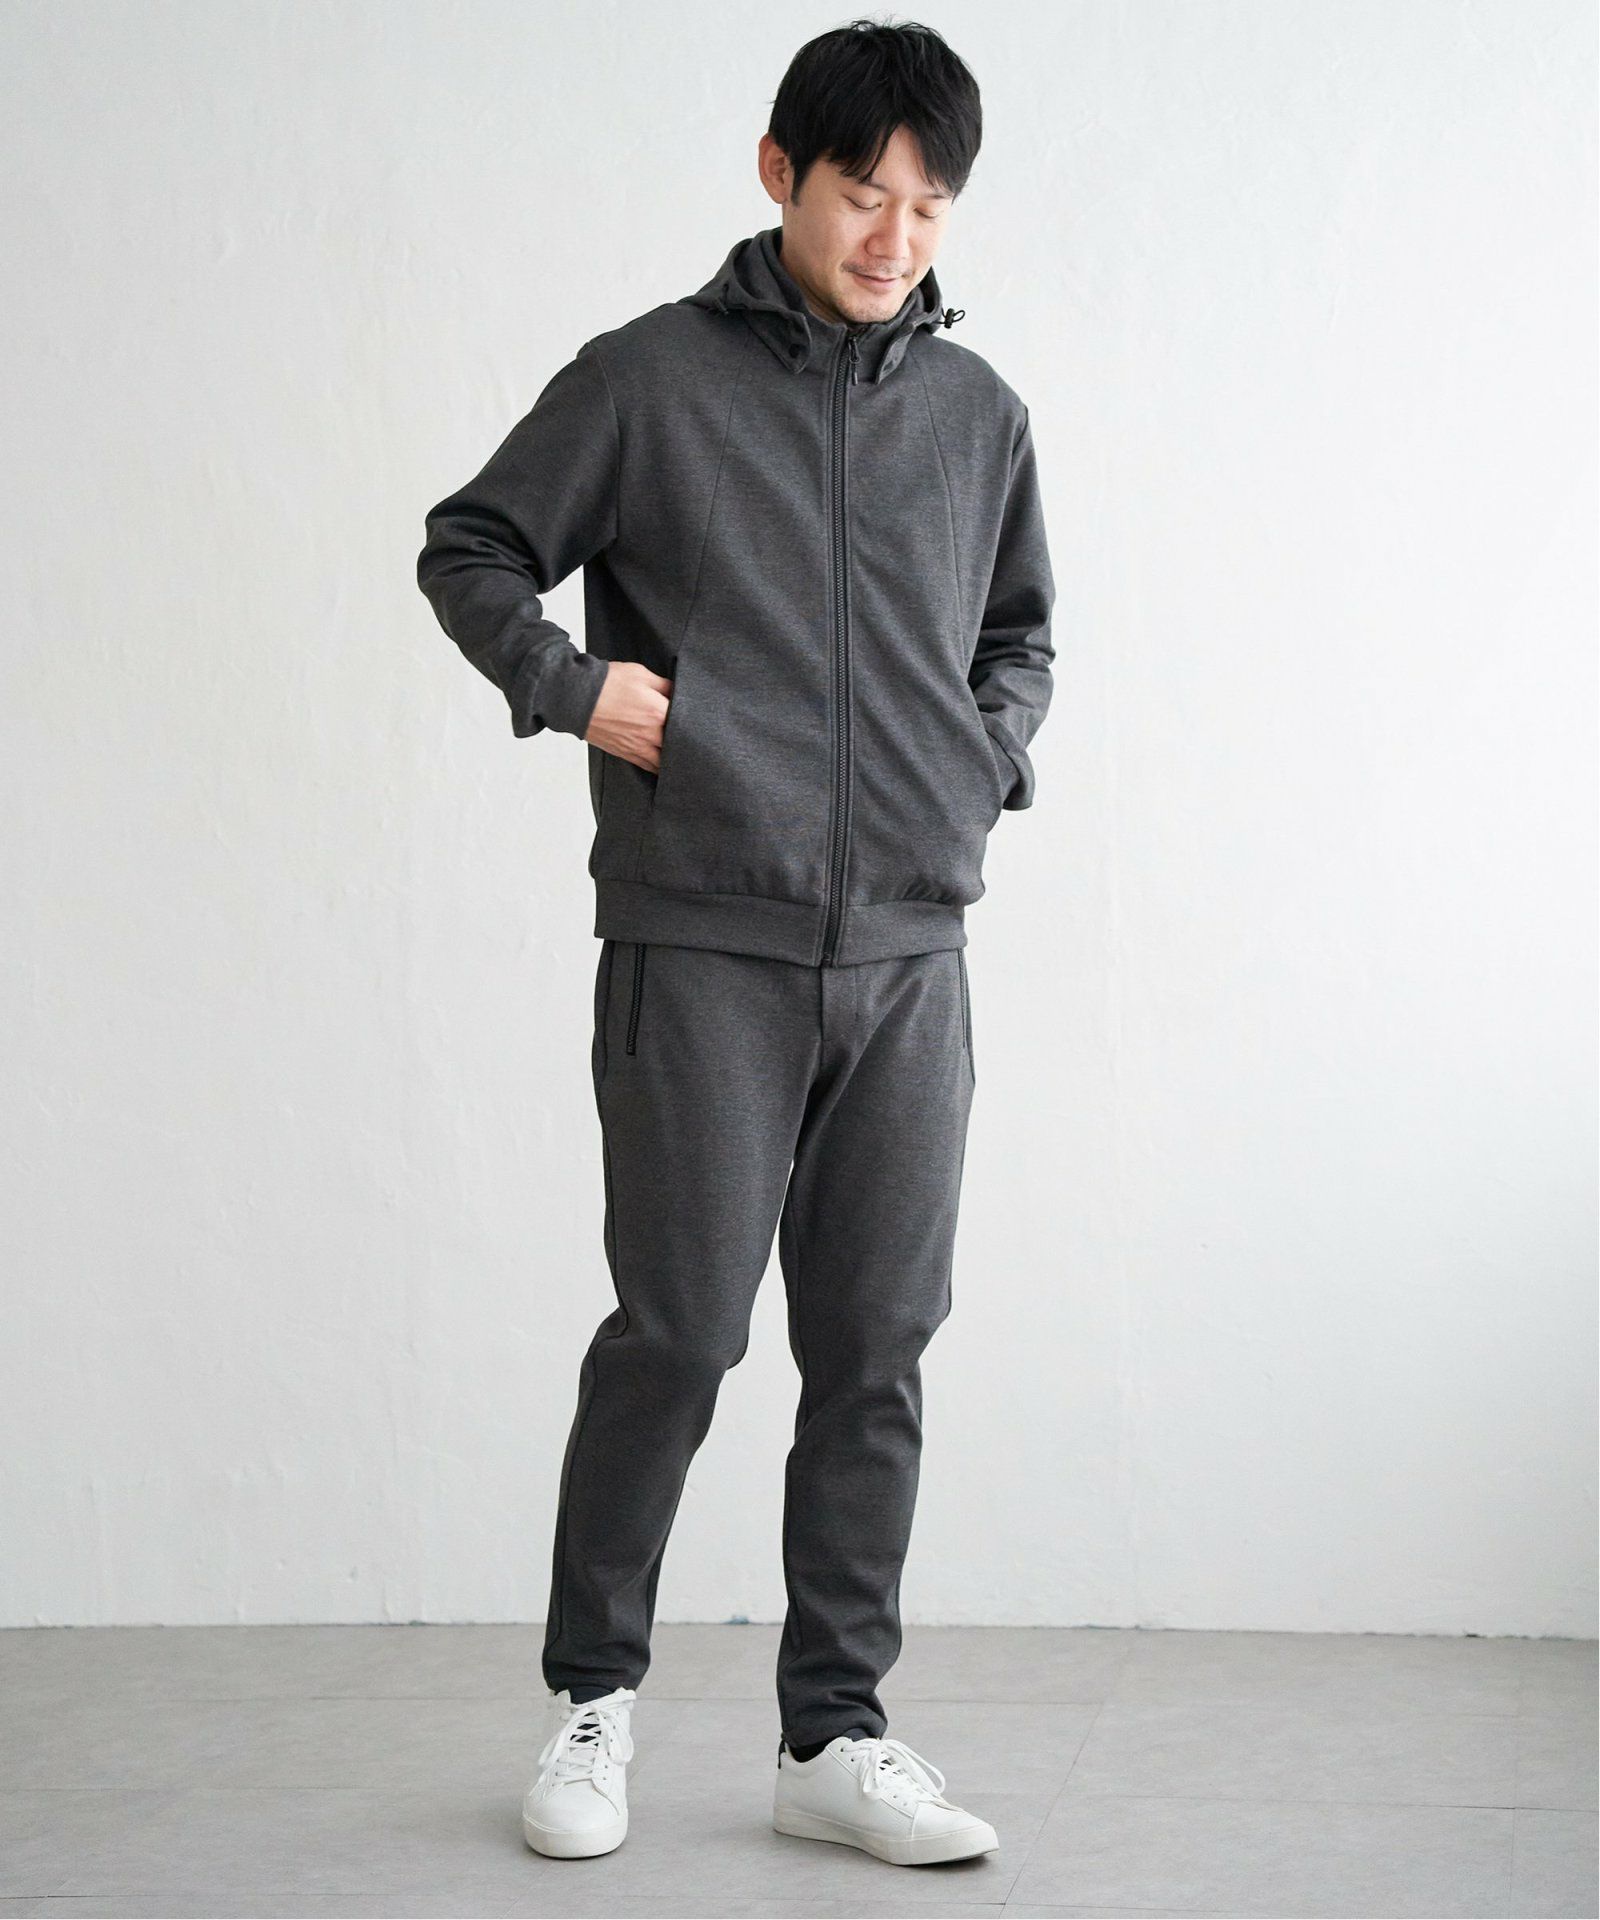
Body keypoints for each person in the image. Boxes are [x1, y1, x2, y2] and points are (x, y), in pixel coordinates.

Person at [415, 15, 1056, 1871]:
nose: (896, 237)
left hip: (910, 957)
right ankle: (592, 1700)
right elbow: (472, 545)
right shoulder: (647, 381)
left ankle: (834, 1734)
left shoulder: (980, 415)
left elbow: (1018, 635)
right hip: (700, 936)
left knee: (877, 1347)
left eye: (930, 205)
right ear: (781, 174)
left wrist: (981, 763)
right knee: (682, 1331)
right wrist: (579, 688)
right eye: (865, 193)